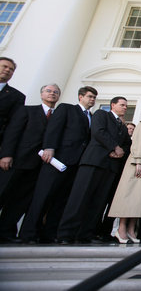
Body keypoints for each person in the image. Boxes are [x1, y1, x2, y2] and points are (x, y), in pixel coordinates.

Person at [19, 86, 97, 243]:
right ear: (80, 97)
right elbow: (54, 128)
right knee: (43, 196)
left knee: (61, 200)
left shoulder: (91, 116)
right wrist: (49, 147)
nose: (92, 99)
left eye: (94, 97)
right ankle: (28, 233)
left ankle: (49, 233)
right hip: (57, 160)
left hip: (76, 164)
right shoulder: (67, 109)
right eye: (89, 96)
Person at [56, 97, 131, 244]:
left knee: (98, 202)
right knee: (79, 198)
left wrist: (120, 151)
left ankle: (86, 233)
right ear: (112, 105)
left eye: (126, 106)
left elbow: (127, 144)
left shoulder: (122, 126)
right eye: (122, 105)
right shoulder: (101, 115)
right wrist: (113, 147)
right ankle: (65, 233)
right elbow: (99, 132)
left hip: (110, 167)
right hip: (94, 162)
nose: (125, 108)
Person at [0, 84, 60, 242]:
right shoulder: (27, 110)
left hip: (37, 166)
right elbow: (12, 133)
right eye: (48, 91)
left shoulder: (57, 116)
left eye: (55, 92)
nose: (52, 94)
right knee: (3, 193)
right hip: (16, 161)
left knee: (20, 201)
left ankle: (6, 232)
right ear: (41, 94)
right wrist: (6, 154)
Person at [108, 108, 141, 243]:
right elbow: (137, 144)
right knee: (130, 197)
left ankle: (131, 230)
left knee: (140, 200)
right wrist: (138, 162)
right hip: (139, 163)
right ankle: (121, 229)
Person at [0, 57, 25, 200]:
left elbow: (13, 127)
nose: (8, 70)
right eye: (4, 66)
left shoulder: (16, 96)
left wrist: (6, 153)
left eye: (11, 69)